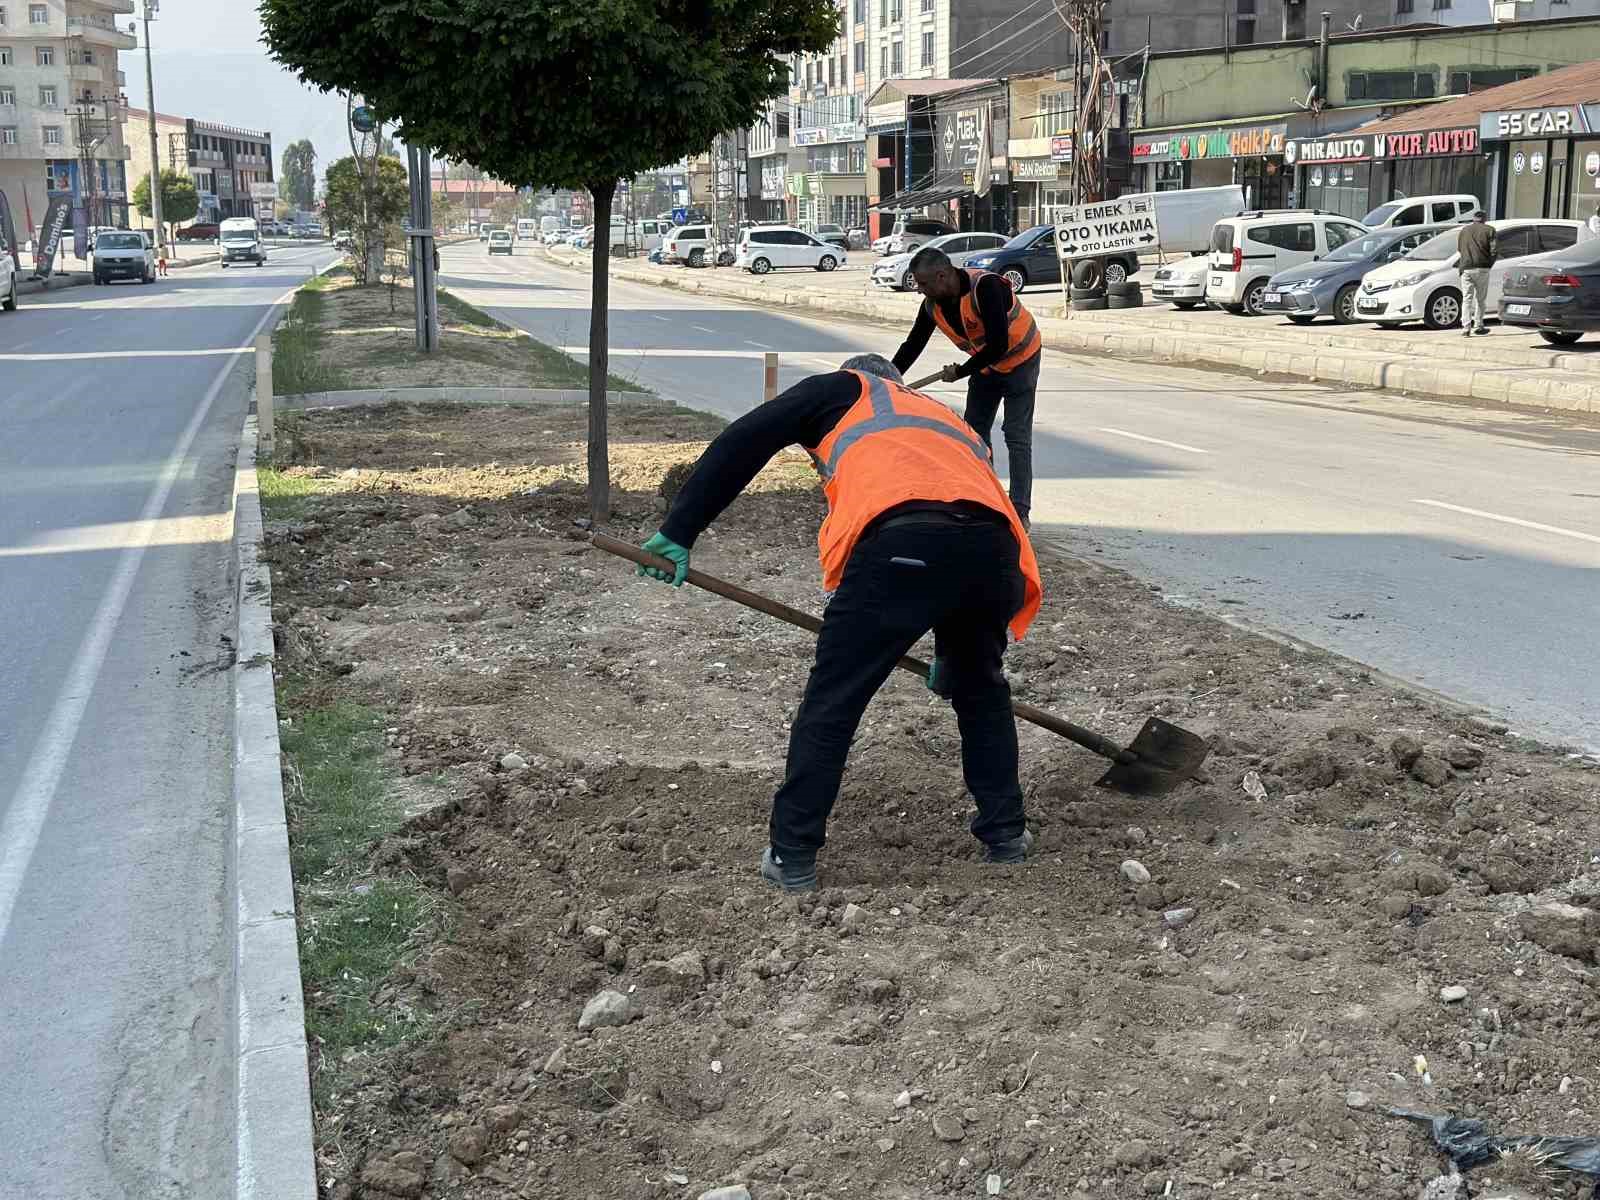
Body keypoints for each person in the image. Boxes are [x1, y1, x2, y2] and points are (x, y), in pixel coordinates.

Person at [637, 354, 1044, 893]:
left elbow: (747, 437)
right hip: (997, 554)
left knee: (834, 701)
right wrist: (956, 655)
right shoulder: (944, 420)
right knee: (981, 692)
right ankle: (1006, 834)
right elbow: (960, 522)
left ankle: (792, 854)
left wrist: (680, 529)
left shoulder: (844, 389)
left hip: (904, 547)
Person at [891, 247, 1042, 527]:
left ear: (942, 275)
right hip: (986, 366)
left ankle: (1020, 510)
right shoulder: (932, 306)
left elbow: (998, 344)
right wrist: (887, 379)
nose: (919, 290)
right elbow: (912, 346)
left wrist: (961, 372)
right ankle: (986, 499)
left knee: (1017, 436)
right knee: (973, 435)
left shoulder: (986, 287)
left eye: (923, 284)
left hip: (1022, 360)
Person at [1458, 210, 1496, 337]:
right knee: (1480, 299)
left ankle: (1465, 328)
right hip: (1482, 268)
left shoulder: (1464, 230)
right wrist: (1489, 264)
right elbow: (1494, 250)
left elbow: (1459, 249)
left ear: (1473, 218)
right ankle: (1479, 325)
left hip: (1466, 267)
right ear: (1484, 219)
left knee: (1466, 299)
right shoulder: (1489, 230)